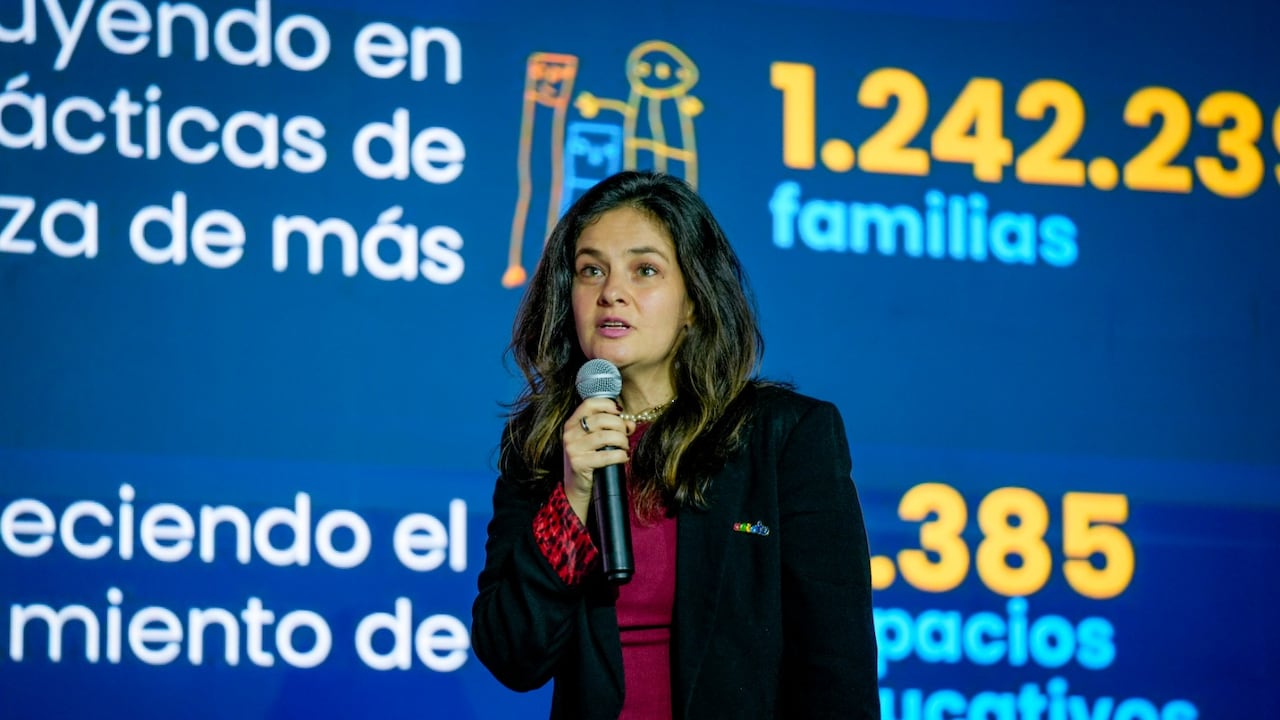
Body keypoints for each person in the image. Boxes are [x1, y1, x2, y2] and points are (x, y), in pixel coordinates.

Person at [471, 171, 879, 719]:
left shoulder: (784, 437)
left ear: (693, 301)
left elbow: (836, 666)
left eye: (644, 270)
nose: (611, 291)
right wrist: (571, 497)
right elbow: (512, 657)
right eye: (592, 270)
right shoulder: (546, 446)